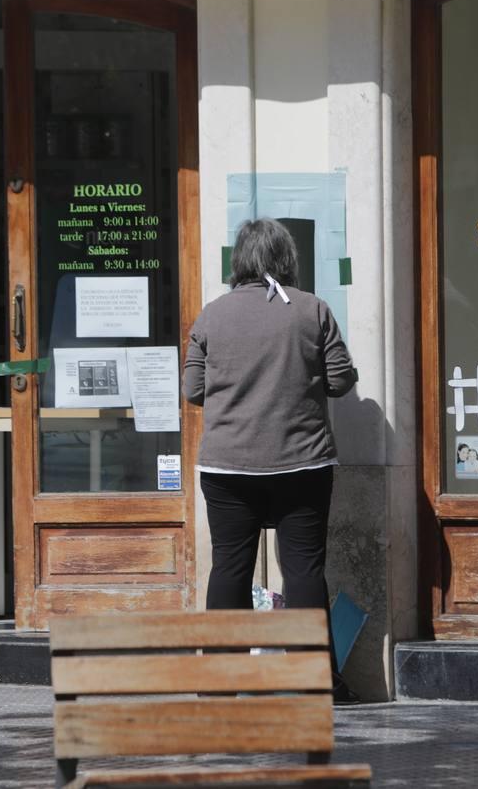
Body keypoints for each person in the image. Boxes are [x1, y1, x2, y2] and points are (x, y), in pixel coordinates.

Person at [183, 217, 360, 704]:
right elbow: (342, 381)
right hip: (301, 464)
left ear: (238, 261)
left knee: (229, 570)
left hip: (227, 469)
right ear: (287, 260)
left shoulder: (211, 316)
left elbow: (193, 391)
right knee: (303, 571)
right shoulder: (313, 310)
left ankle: (220, 683)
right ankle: (314, 682)